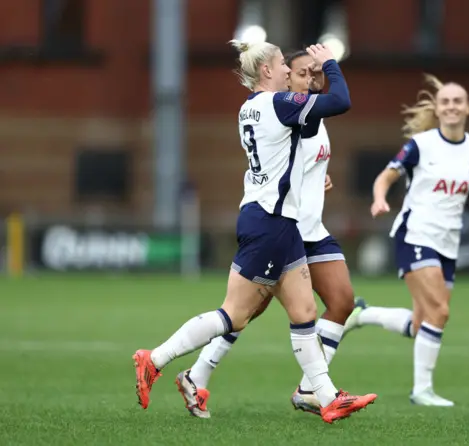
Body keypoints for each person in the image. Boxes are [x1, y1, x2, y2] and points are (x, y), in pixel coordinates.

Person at [132, 41, 377, 424]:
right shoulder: (278, 104)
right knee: (234, 315)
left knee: (304, 311)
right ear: (266, 70)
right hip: (270, 222)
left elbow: (286, 151)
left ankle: (328, 397)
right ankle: (155, 359)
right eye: (282, 64)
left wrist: (308, 180)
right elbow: (340, 101)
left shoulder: (250, 107)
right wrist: (330, 65)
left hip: (277, 221)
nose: (285, 70)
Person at [345, 74, 469, 407]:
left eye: (458, 101)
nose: (452, 106)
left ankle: (362, 315)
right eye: (446, 102)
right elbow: (387, 175)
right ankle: (421, 391)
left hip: (448, 242)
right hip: (416, 235)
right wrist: (379, 198)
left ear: (467, 107)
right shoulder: (421, 145)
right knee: (440, 311)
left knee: (421, 323)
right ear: (438, 110)